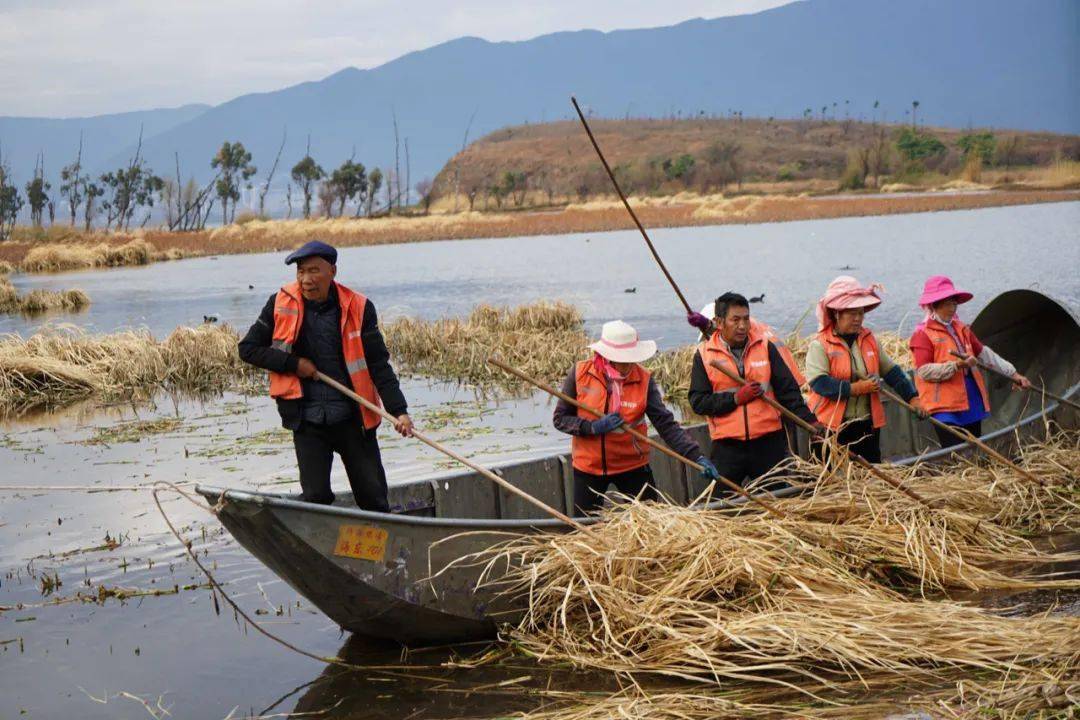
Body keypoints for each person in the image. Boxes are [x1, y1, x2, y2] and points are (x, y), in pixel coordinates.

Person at [238, 240, 414, 510]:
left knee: (374, 499)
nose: (306, 280)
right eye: (300, 272)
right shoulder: (280, 303)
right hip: (308, 421)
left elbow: (379, 365)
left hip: (354, 418)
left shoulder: (358, 307)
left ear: (333, 271)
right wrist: (293, 364)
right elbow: (248, 349)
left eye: (313, 271)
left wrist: (399, 411)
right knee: (316, 499)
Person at [553, 320, 719, 515]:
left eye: (631, 359)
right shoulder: (581, 374)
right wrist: (592, 427)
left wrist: (695, 456)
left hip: (632, 466)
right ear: (606, 356)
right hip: (589, 468)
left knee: (650, 523)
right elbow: (560, 419)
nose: (627, 366)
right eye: (622, 360)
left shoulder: (643, 380)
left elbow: (666, 424)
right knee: (584, 528)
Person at [688, 292, 820, 486]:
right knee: (723, 506)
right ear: (720, 322)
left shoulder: (765, 347)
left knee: (777, 498)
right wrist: (735, 399)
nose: (742, 326)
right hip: (727, 446)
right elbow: (698, 402)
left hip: (768, 442)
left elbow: (788, 392)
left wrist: (811, 422)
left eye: (746, 319)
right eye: (735, 320)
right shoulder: (705, 355)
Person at [804, 276, 924, 463]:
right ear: (837, 313)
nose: (858, 318)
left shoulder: (869, 340)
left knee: (870, 477)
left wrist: (913, 397)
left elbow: (892, 372)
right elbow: (820, 383)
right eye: (852, 313)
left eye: (861, 313)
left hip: (866, 425)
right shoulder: (820, 344)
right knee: (832, 484)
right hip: (831, 426)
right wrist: (856, 389)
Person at [909, 275, 1030, 448]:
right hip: (943, 404)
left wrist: (1013, 374)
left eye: (954, 303)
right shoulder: (923, 334)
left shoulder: (961, 328)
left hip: (970, 398)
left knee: (974, 447)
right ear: (934, 305)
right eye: (947, 304)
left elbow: (984, 354)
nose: (952, 308)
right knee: (954, 450)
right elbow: (924, 371)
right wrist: (956, 365)